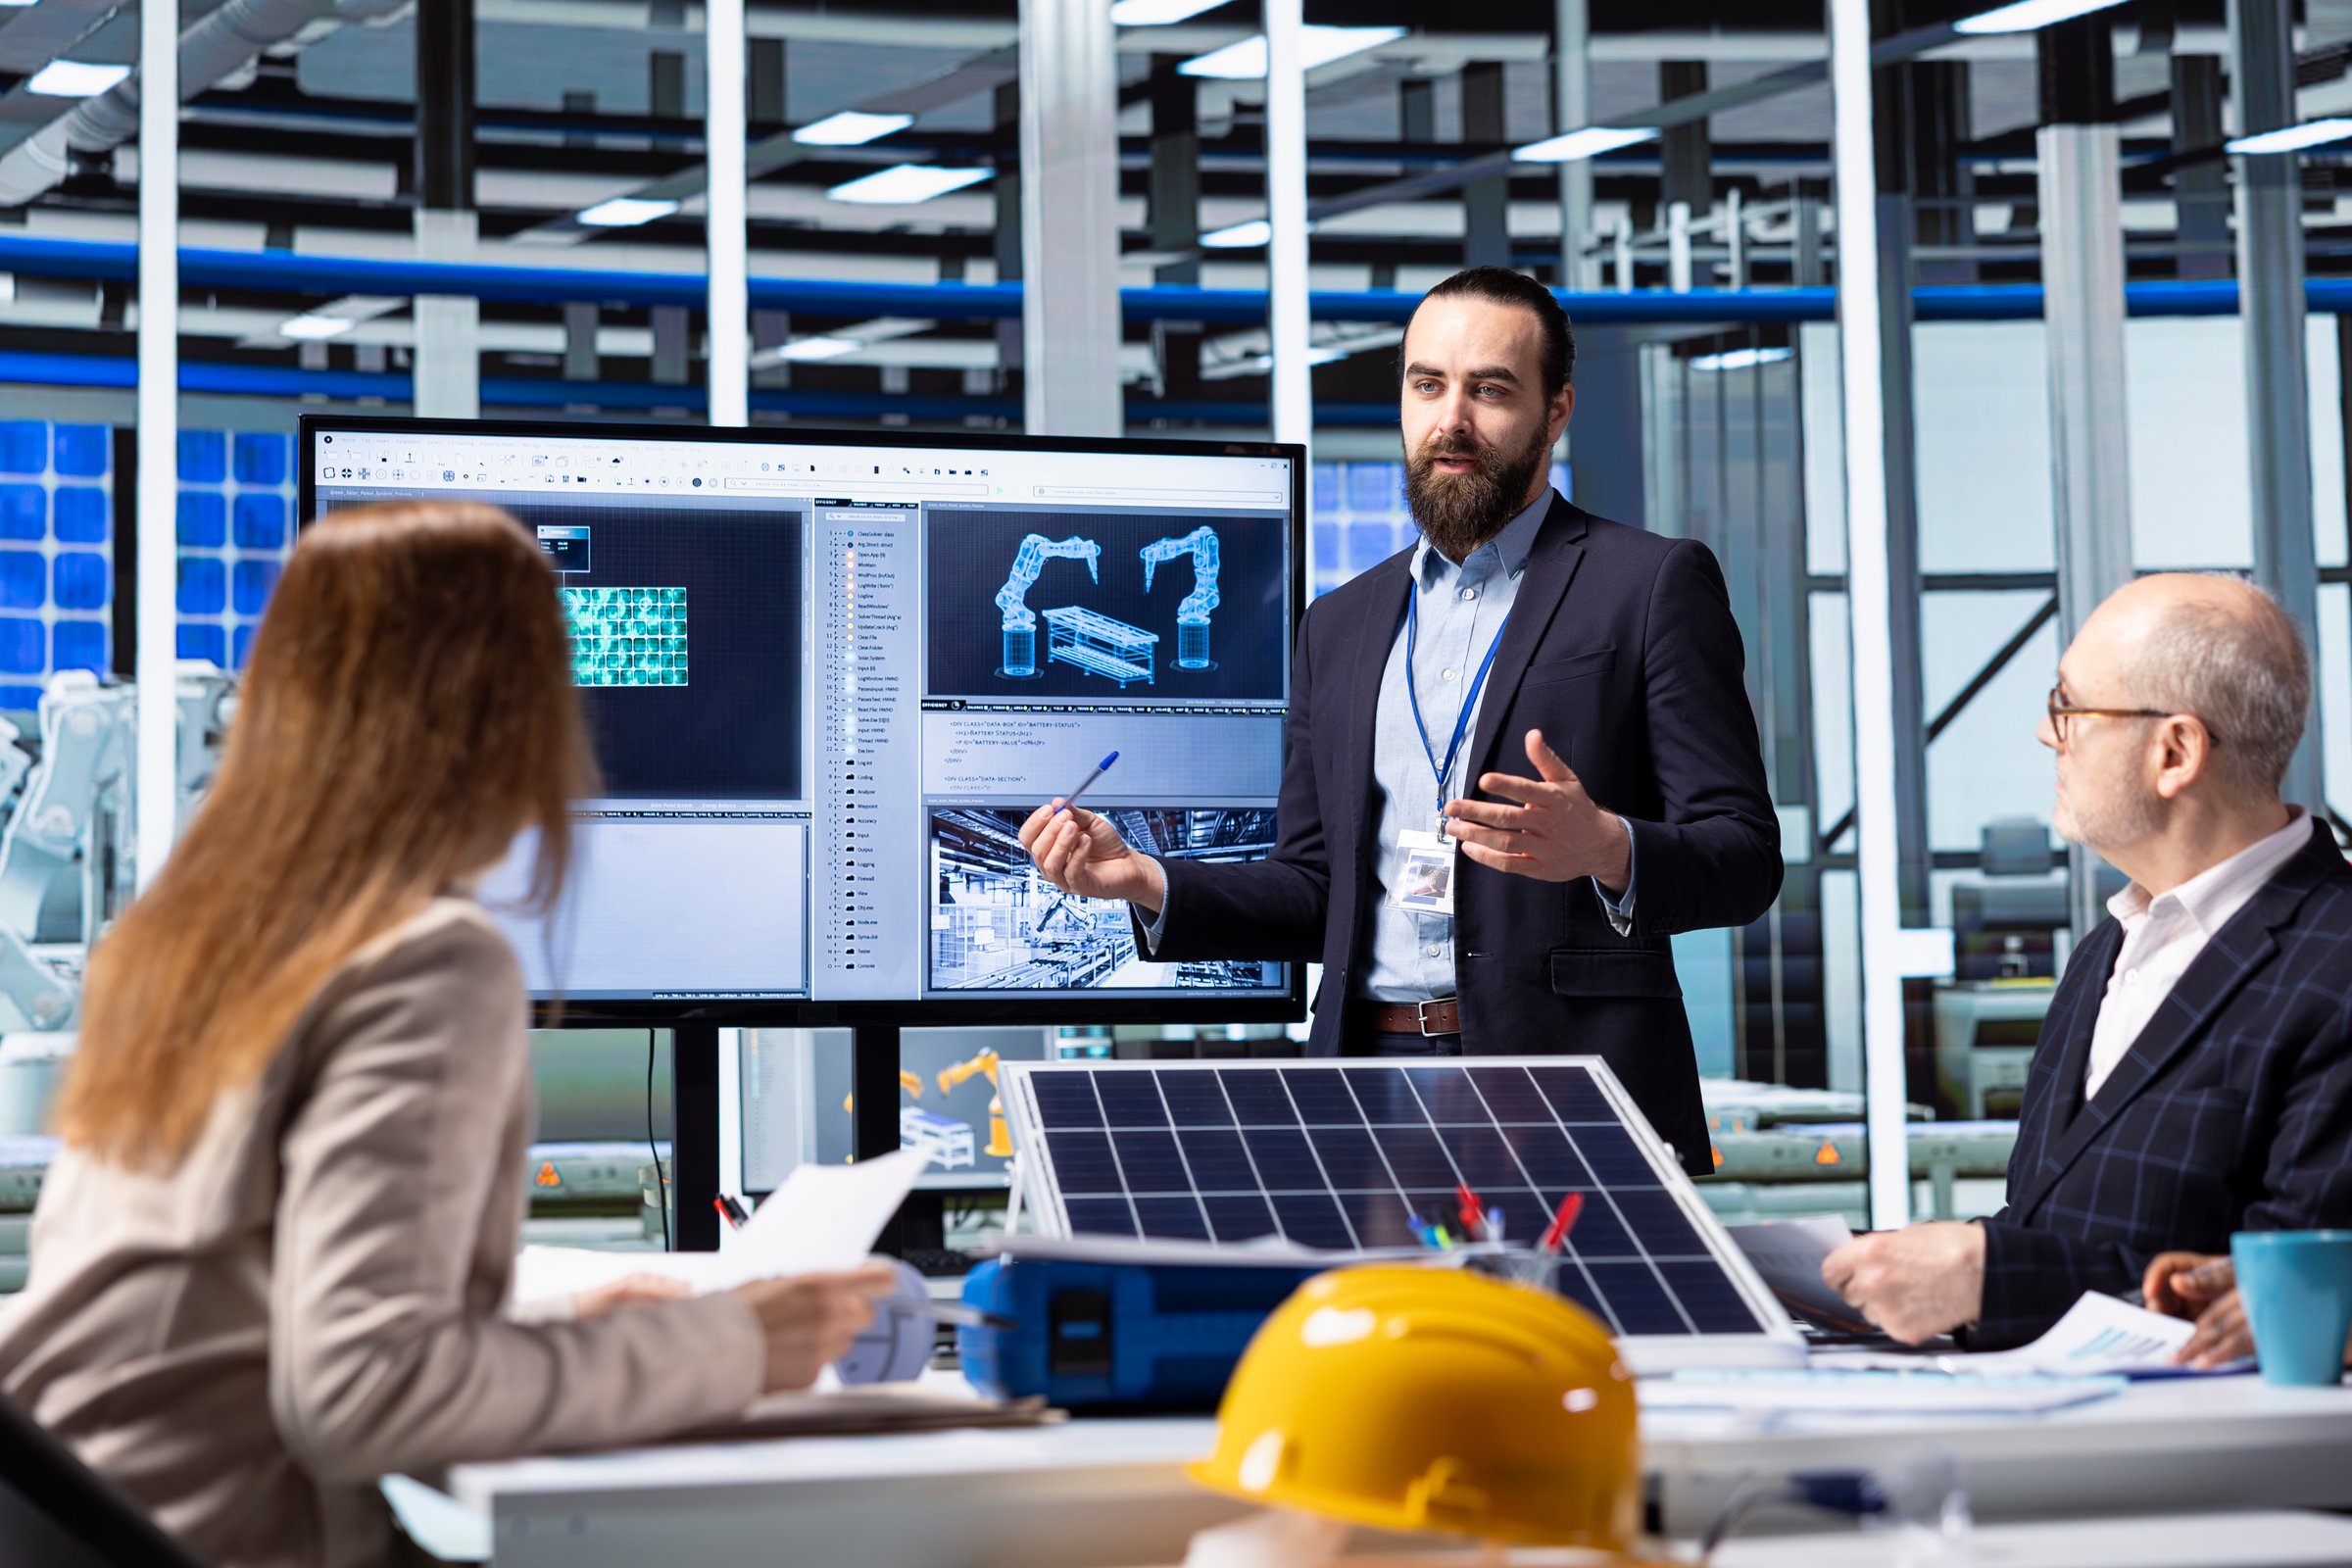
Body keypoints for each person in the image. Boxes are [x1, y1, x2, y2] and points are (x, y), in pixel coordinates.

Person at [0, 501, 896, 1568]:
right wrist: (740, 1340)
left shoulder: (189, 935)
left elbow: (267, 1320)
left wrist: (566, 1332)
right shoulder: (425, 958)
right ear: (510, 709)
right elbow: (365, 1392)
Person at [1020, 266, 1781, 1171]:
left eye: (1490, 389)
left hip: (1568, 1089)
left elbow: (1744, 857)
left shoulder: (1649, 585)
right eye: (1428, 384)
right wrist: (1147, 879)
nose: (1451, 418)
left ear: (1557, 409)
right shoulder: (1339, 627)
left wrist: (1609, 848)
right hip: (1366, 1083)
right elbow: (1313, 889)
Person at [1824, 573, 2352, 1348]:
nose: (2047, 734)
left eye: (2067, 706)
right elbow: (2063, 1225)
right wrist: (1920, 1268)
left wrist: (1986, 1277)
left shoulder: (2337, 964)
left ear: (2174, 752)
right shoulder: (2112, 947)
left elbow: (2297, 1301)